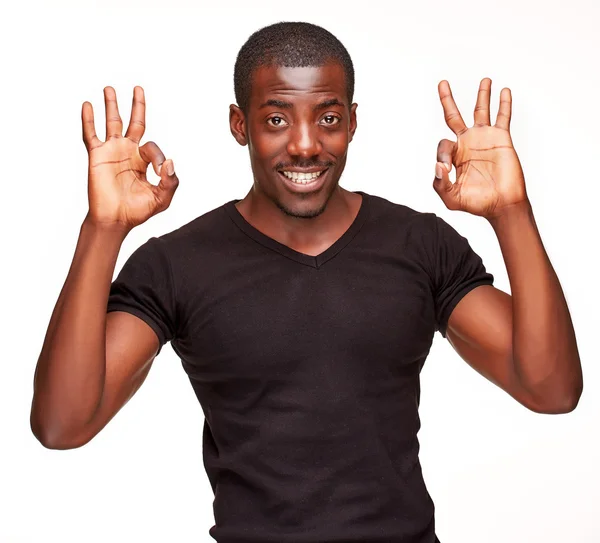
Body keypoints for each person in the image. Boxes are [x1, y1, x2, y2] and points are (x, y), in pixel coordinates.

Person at [30, 21, 582, 543]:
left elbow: (551, 389)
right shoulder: (177, 265)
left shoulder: (419, 246)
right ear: (239, 124)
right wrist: (102, 231)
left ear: (353, 121)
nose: (304, 145)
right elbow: (63, 424)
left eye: (328, 118)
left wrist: (512, 211)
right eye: (276, 119)